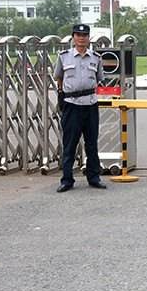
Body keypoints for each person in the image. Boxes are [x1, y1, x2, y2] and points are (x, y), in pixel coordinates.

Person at [54, 24, 106, 192]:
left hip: (90, 104)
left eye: (84, 35)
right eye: (78, 35)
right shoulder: (64, 57)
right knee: (69, 144)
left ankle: (94, 177)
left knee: (92, 144)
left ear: (88, 38)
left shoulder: (96, 58)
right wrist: (62, 96)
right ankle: (67, 180)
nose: (81, 38)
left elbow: (99, 78)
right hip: (72, 105)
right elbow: (59, 78)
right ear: (73, 37)